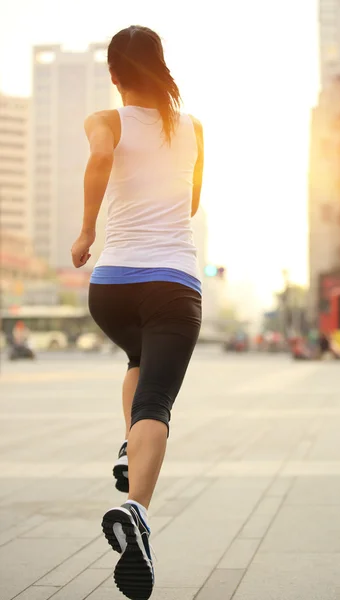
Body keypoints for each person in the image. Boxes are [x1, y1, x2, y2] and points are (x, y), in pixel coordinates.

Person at [71, 25, 203, 600]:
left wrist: (85, 233)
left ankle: (130, 446)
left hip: (111, 287)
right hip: (172, 282)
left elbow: (102, 156)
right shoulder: (194, 128)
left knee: (137, 355)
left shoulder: (105, 120)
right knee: (156, 403)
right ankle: (137, 515)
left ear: (114, 74)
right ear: (161, 68)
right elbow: (192, 200)